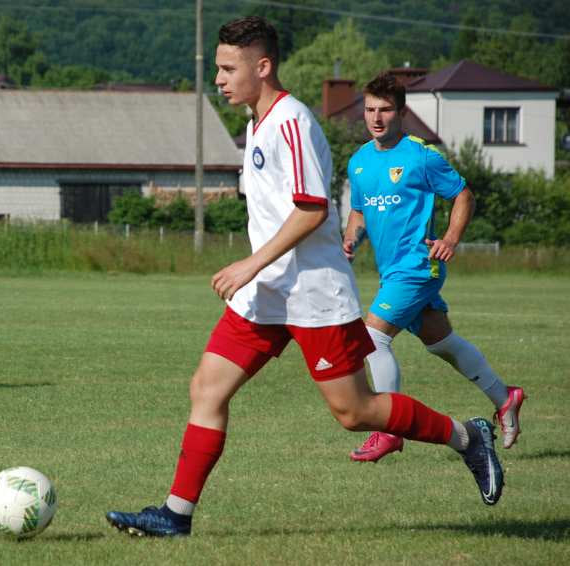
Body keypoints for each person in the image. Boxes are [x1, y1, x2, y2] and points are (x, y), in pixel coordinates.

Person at [105, 17, 504, 538]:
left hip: (313, 294)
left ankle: (467, 437)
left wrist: (250, 262)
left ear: (262, 66)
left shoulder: (292, 120)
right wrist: (257, 274)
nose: (219, 79)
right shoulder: (255, 123)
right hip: (265, 295)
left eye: (228, 68)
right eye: (218, 68)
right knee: (207, 388)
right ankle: (175, 515)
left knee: (355, 411)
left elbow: (312, 210)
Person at [343, 73, 525, 463]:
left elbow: (463, 195)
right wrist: (349, 242)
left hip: (417, 265)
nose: (376, 118)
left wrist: (450, 238)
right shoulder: (358, 162)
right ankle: (504, 397)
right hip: (391, 270)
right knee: (441, 343)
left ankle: (387, 430)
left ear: (402, 112)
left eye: (385, 109)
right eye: (370, 109)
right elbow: (358, 213)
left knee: (372, 338)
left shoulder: (421, 155)